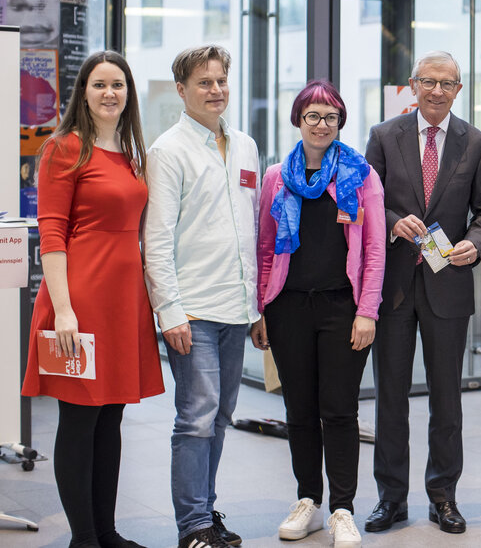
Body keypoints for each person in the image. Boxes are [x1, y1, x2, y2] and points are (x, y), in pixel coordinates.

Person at [21, 51, 164, 548]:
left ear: (128, 94)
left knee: (111, 417)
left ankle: (107, 531)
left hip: (124, 301)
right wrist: (63, 309)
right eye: (100, 84)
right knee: (80, 418)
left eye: (119, 85)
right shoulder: (64, 149)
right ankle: (83, 538)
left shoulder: (131, 154)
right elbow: (52, 232)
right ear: (83, 91)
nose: (110, 93)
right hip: (79, 298)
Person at [363, 50, 481, 535]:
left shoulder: (477, 143)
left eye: (448, 84)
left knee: (447, 401)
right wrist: (396, 222)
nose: (438, 90)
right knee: (390, 398)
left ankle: (443, 496)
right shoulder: (383, 136)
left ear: (459, 90)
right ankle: (390, 500)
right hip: (394, 289)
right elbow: (366, 203)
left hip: (449, 286)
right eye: (429, 82)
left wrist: (474, 243)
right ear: (412, 85)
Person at [254, 80, 385, 547]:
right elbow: (265, 248)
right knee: (299, 410)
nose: (321, 124)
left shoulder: (361, 175)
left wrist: (367, 311)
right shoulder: (276, 177)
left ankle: (343, 508)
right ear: (298, 120)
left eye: (330, 116)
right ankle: (307, 500)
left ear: (340, 122)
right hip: (288, 307)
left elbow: (373, 251)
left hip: (342, 308)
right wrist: (262, 308)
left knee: (339, 410)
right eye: (313, 115)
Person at [143, 45, 260, 548]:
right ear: (182, 90)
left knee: (220, 415)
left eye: (221, 81)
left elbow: (251, 229)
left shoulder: (247, 146)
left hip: (237, 307)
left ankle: (206, 514)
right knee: (195, 418)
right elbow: (157, 238)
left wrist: (256, 308)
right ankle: (191, 526)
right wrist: (169, 310)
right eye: (204, 82)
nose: (215, 90)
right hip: (192, 308)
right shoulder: (168, 151)